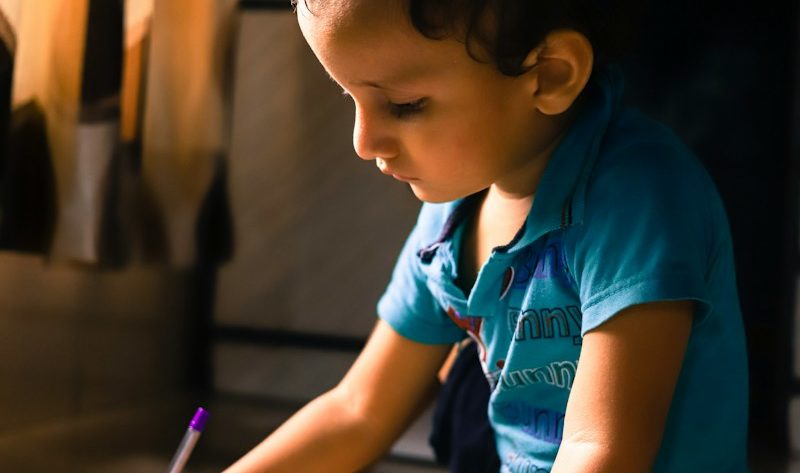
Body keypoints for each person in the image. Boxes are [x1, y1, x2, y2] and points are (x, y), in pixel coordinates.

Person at [225, 0, 750, 471]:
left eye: (404, 104)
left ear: (547, 75)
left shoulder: (639, 201)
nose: (363, 142)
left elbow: (601, 450)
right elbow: (359, 412)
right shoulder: (453, 217)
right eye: (350, 97)